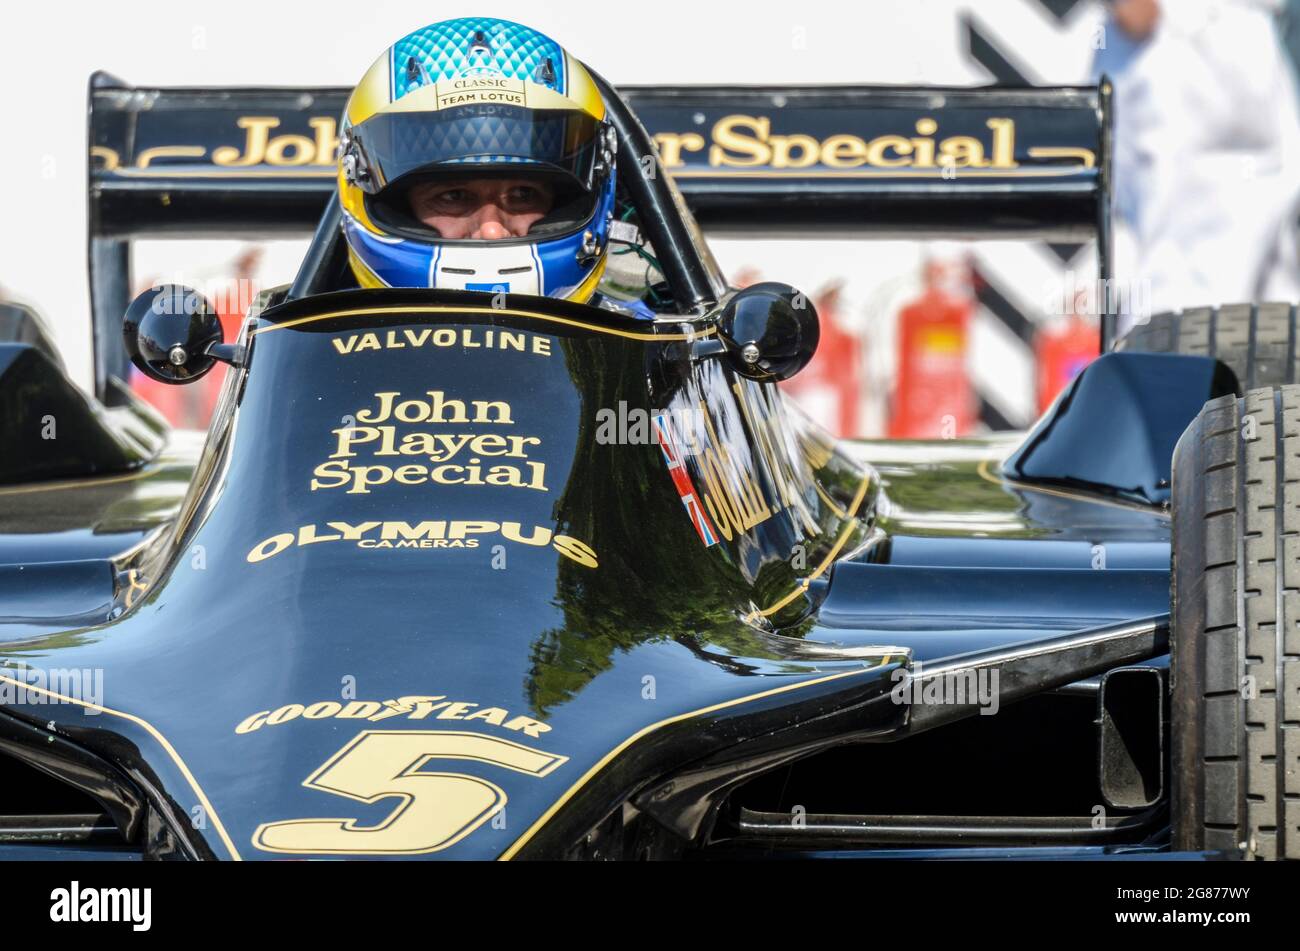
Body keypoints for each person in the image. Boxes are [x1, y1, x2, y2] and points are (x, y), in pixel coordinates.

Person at [337, 17, 647, 313]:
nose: (492, 230)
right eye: (454, 196)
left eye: (524, 194)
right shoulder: (308, 344)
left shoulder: (646, 340)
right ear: (396, 205)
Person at [1095, 0, 1300, 323]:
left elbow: (1271, 181)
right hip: (1156, 315)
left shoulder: (1229, 37)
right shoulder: (1108, 49)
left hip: (1249, 315)